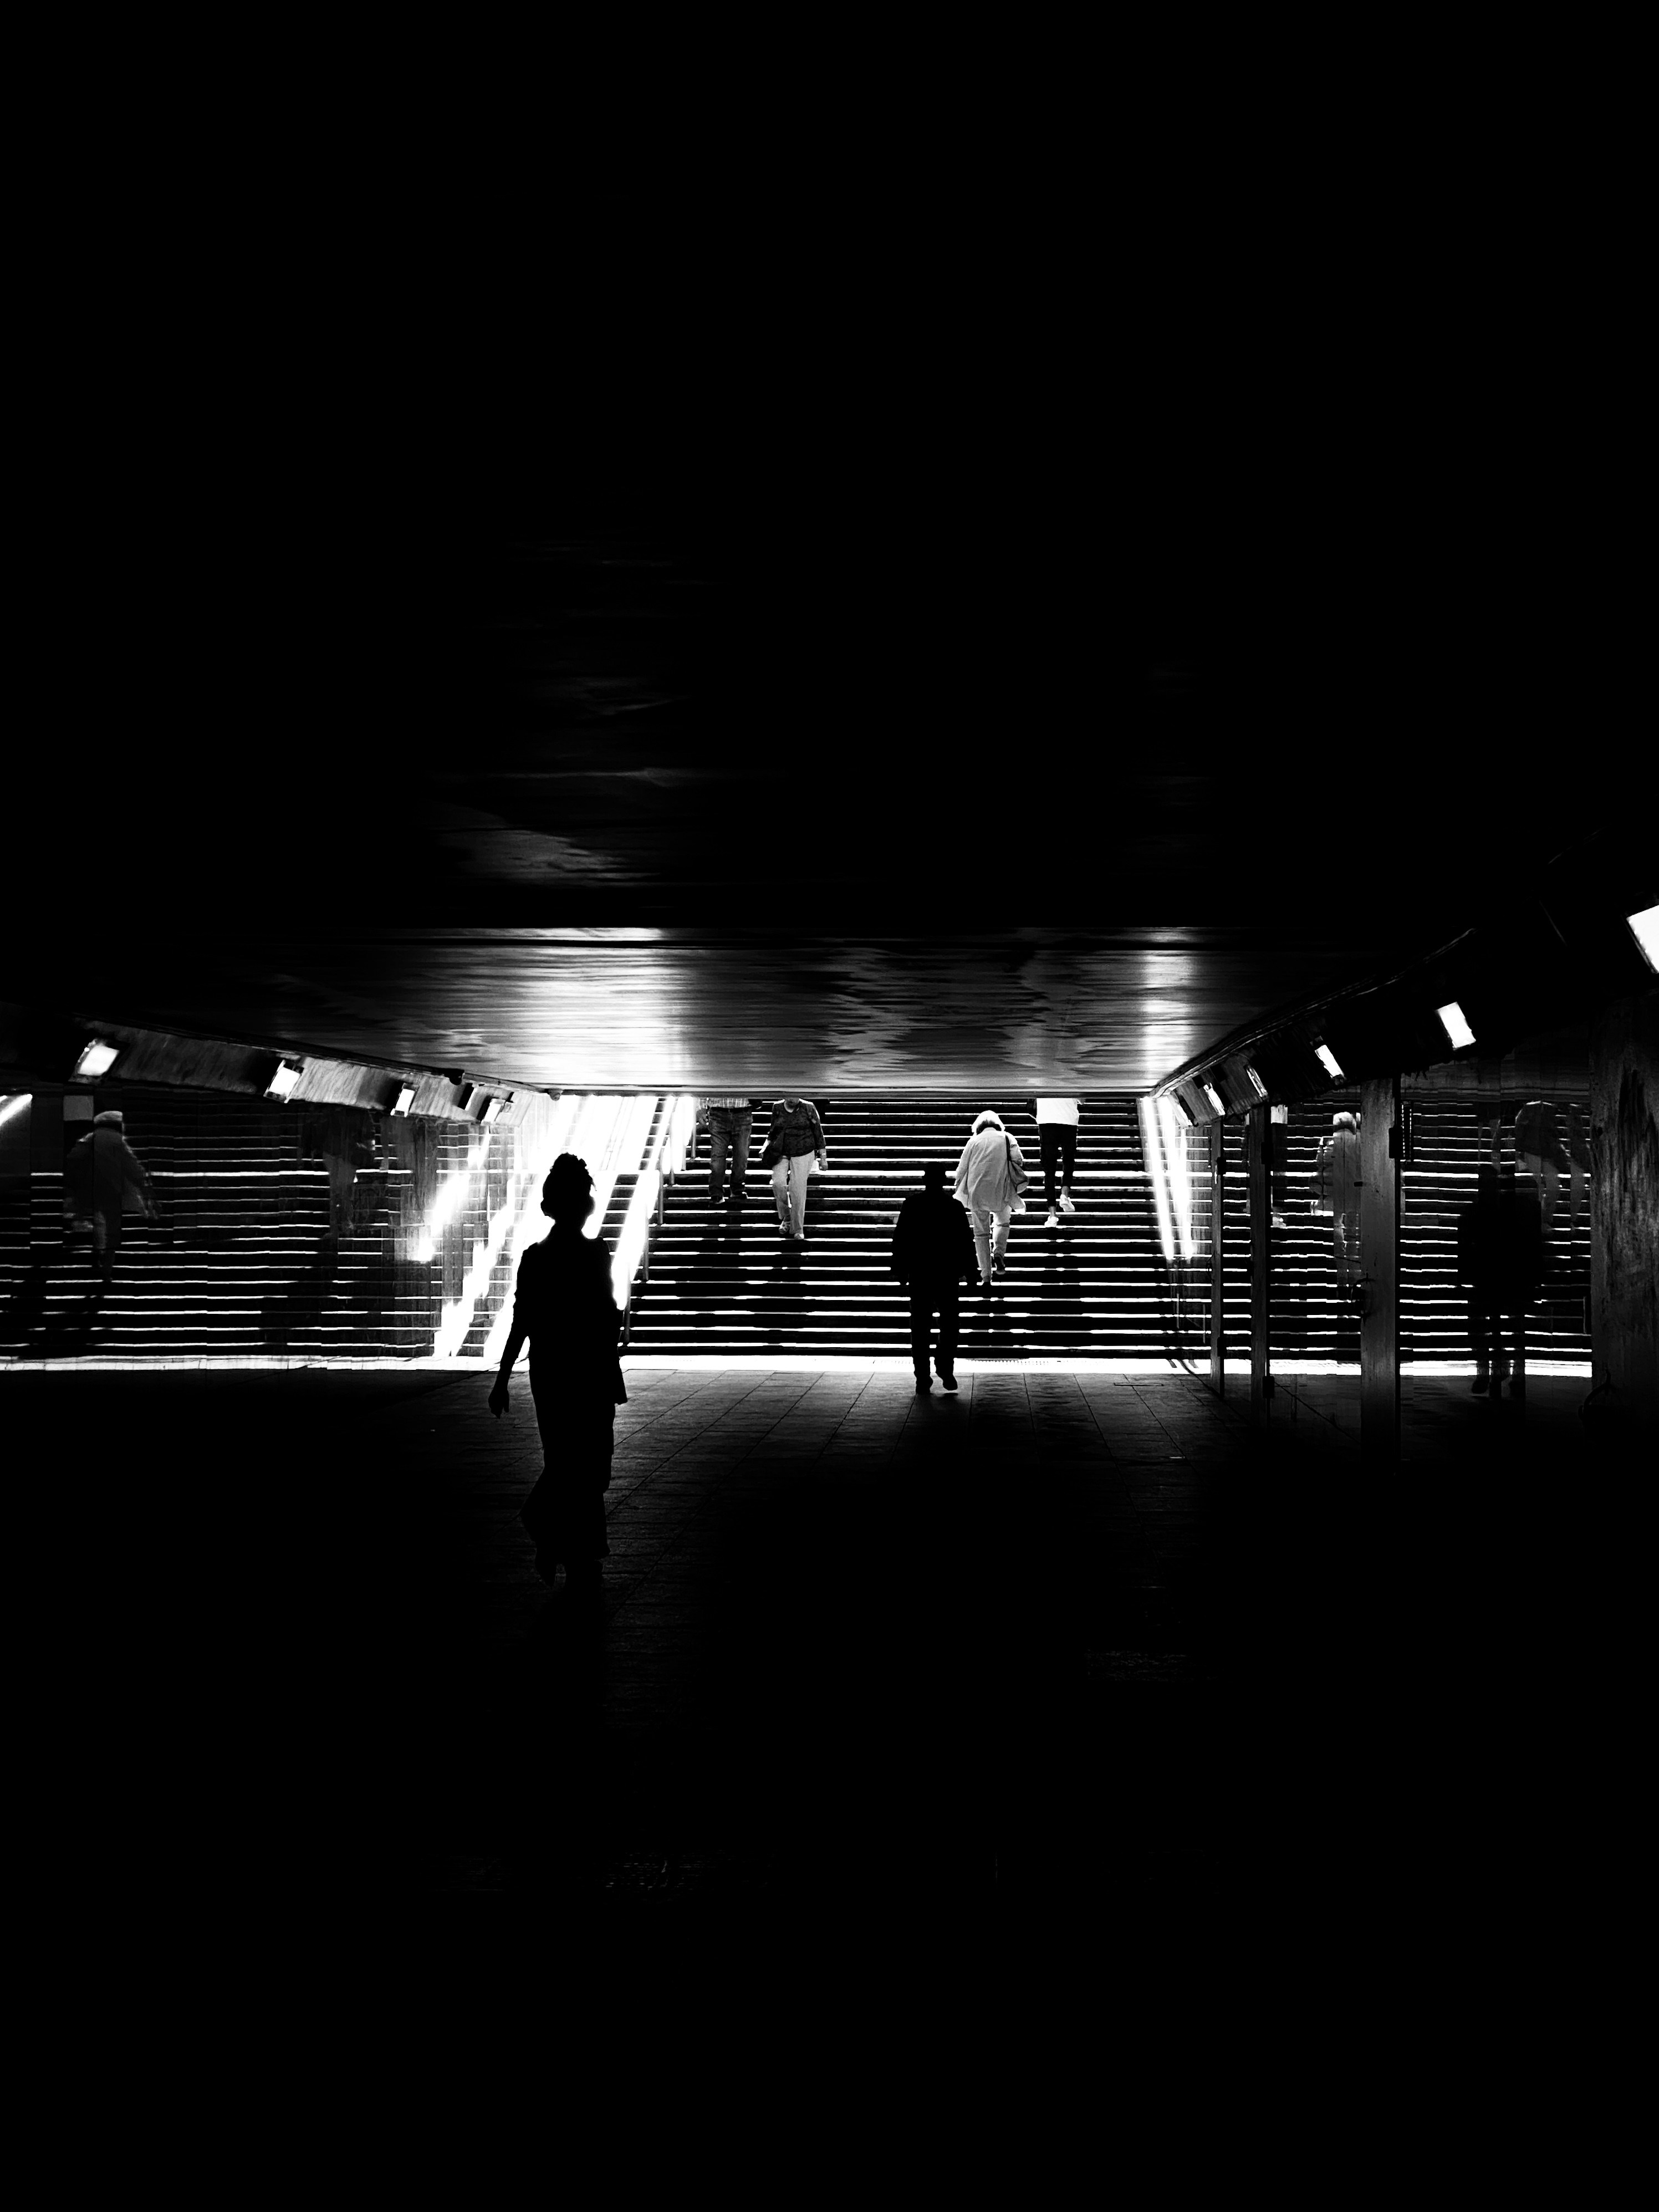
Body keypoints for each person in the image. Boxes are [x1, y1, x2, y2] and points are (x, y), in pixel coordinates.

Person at [488, 1152, 626, 1592]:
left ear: (549, 1208)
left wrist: (503, 1376)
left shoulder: (537, 1258)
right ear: (585, 1206)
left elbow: (522, 1321)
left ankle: (560, 1541)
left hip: (552, 1371)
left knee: (566, 1459)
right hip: (590, 1370)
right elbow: (605, 1314)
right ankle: (570, 1545)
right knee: (589, 1463)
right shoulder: (594, 1254)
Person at [891, 1162, 978, 1393]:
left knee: (920, 1326)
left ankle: (922, 1376)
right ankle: (945, 1367)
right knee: (949, 1323)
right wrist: (971, 1271)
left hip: (920, 1273)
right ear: (944, 1181)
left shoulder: (912, 1205)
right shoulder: (954, 1207)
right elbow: (965, 1242)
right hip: (947, 1274)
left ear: (924, 1179)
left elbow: (901, 1238)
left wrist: (900, 1269)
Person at [63, 1108, 157, 1286]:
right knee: (112, 1229)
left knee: (98, 1224)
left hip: (91, 1189)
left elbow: (73, 1159)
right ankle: (107, 1270)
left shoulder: (90, 1138)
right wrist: (143, 1185)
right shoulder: (117, 1141)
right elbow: (133, 1167)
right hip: (112, 1191)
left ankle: (97, 1255)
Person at [953, 1109, 1028, 1291]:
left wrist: (958, 1191)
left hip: (977, 1191)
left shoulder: (973, 1141)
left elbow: (961, 1169)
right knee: (1002, 1223)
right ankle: (999, 1252)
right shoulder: (1007, 1138)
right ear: (997, 1126)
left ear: (979, 1128)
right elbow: (1019, 1160)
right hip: (1001, 1188)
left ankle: (986, 1276)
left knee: (981, 1234)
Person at [1489, 1166, 1544, 1397]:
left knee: (1497, 1327)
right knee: (1517, 1326)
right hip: (1520, 1274)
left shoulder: (1500, 1206)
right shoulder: (1531, 1207)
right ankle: (1517, 1377)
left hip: (1501, 1274)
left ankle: (1499, 1374)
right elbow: (1536, 1243)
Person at [1456, 1165, 1504, 1394]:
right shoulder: (1502, 1212)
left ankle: (1486, 1374)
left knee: (1483, 1329)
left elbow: (1463, 1246)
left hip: (1484, 1277)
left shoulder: (1473, 1212)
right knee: (1493, 1328)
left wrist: (1461, 1276)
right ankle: (1494, 1375)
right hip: (1495, 1276)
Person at [759, 1097, 826, 1242]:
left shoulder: (808, 1108)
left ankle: (798, 1228)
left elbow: (818, 1132)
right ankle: (787, 1216)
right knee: (778, 1183)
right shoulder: (777, 1108)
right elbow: (773, 1130)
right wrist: (766, 1146)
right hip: (781, 1151)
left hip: (804, 1151)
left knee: (797, 1190)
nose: (793, 1098)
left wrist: (823, 1157)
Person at [1312, 1110, 1362, 1306]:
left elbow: (1319, 1163)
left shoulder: (1328, 1142)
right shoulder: (1359, 1141)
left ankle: (1341, 1280)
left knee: (1338, 1236)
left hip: (1335, 1196)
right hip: (1355, 1195)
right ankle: (1355, 1279)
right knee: (1353, 1237)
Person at [1030, 1096, 1081, 1229]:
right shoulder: (1073, 1076)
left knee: (1049, 1170)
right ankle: (1064, 1195)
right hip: (1069, 1119)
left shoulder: (1040, 1075)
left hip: (1047, 1120)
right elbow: (1083, 1098)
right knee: (1068, 1161)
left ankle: (1053, 1216)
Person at [700, 1095, 756, 1208]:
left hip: (743, 1112)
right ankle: (717, 1193)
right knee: (718, 1156)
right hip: (718, 1112)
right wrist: (700, 1107)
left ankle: (736, 1189)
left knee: (742, 1155)